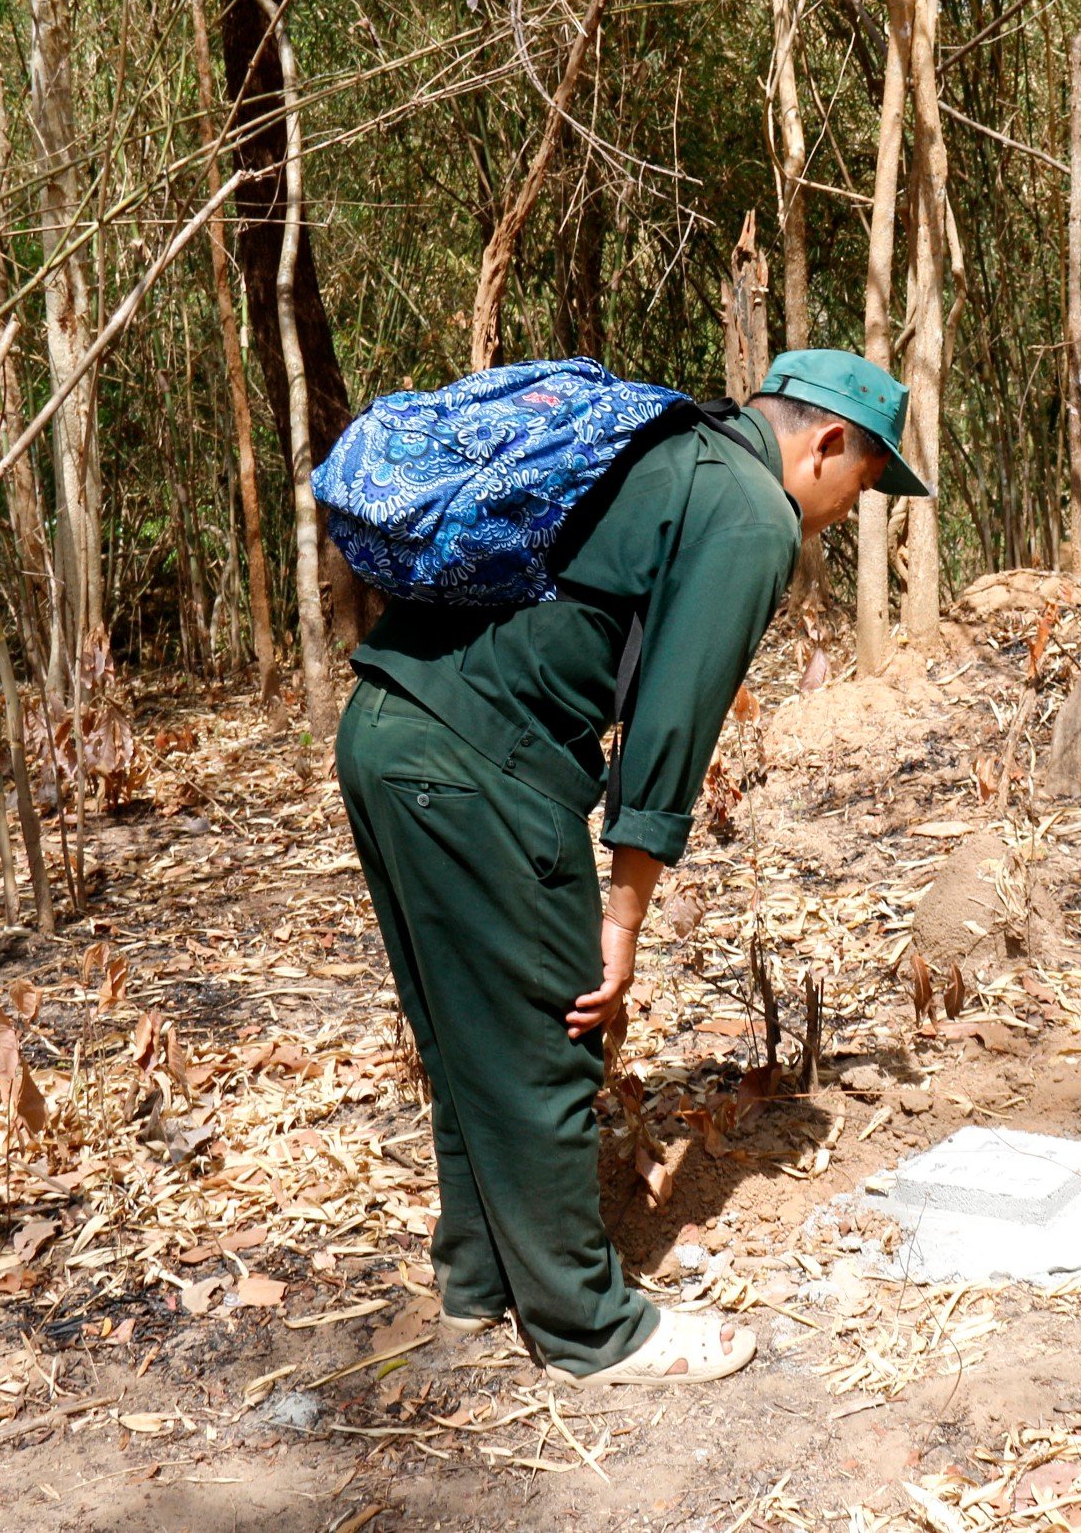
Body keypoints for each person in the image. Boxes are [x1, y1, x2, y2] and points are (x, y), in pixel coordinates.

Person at [334, 349, 929, 1385]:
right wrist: (621, 924)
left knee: (466, 1036)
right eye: (867, 483)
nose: (851, 509)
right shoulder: (750, 510)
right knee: (549, 1045)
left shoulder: (658, 445)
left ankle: (478, 1283)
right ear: (828, 443)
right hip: (481, 767)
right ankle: (589, 1329)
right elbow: (671, 732)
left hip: (383, 731)